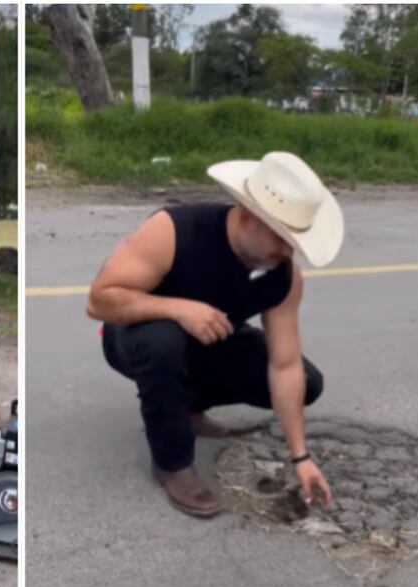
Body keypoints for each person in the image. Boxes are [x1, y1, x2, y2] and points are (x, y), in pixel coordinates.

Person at [86, 152, 343, 518]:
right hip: (135, 336)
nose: (287, 252)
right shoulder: (175, 231)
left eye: (294, 242)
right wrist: (178, 309)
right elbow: (99, 301)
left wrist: (300, 457)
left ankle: (187, 405)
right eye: (280, 237)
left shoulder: (284, 276)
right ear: (248, 215)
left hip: (208, 341)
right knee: (163, 342)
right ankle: (172, 464)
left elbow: (284, 365)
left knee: (308, 382)